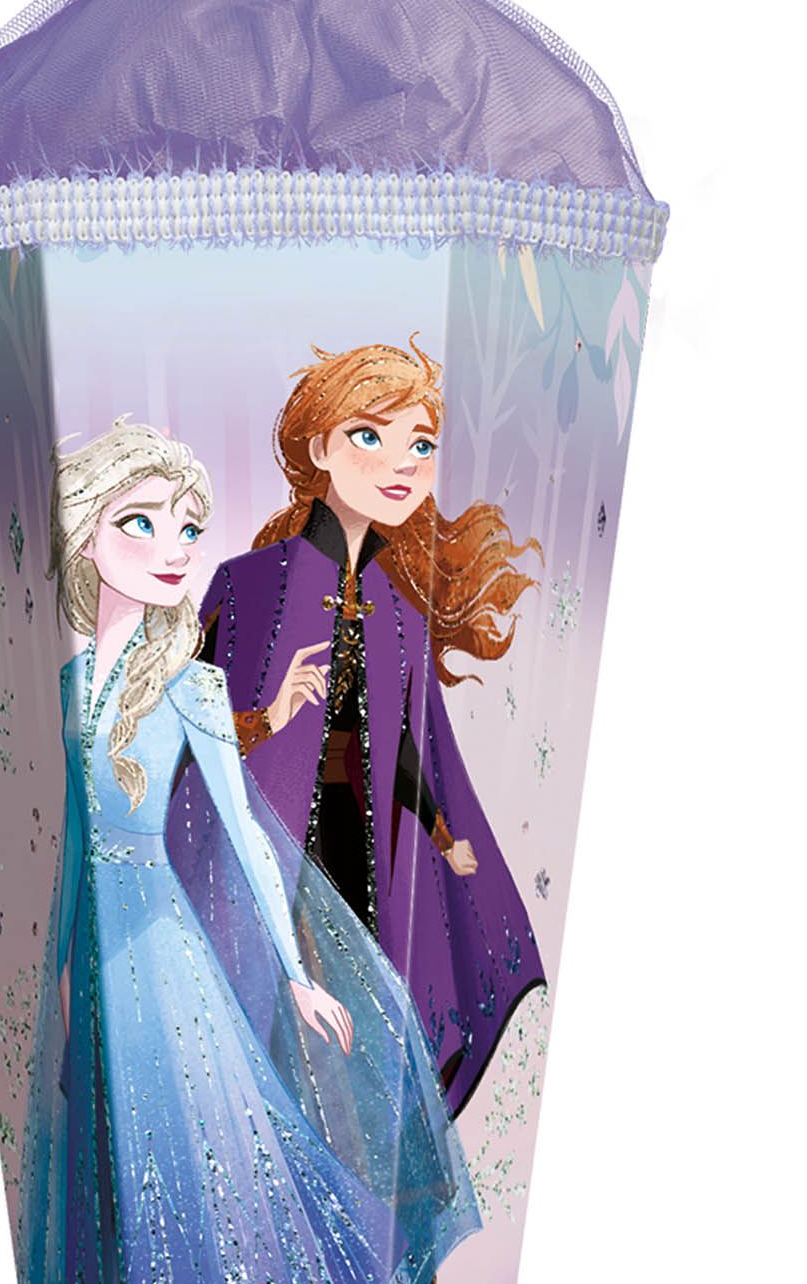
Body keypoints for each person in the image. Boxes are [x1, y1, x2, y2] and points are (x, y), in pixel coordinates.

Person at [20, 420, 478, 1284]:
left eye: (190, 528)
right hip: (94, 957)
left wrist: (298, 977)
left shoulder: (195, 688)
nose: (175, 549)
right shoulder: (69, 686)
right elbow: (75, 843)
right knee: (108, 1158)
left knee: (190, 1148)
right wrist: (63, 973)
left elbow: (246, 836)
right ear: (85, 533)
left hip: (164, 952)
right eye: (143, 522)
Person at [184, 340, 546, 1116]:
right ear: (319, 448)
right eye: (369, 435)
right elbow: (192, 726)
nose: (401, 464)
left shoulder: (402, 614)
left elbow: (410, 747)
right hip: (269, 844)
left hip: (364, 847)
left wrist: (443, 833)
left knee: (358, 1024)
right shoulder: (248, 587)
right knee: (276, 1013)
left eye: (421, 445)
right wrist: (267, 718)